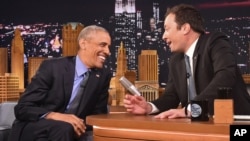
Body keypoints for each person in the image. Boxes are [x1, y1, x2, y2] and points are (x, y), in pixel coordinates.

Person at [123, 4, 250, 119]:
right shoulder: (175, 60)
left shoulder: (215, 42)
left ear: (185, 28)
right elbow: (171, 97)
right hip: (196, 126)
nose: (163, 36)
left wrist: (190, 109)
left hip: (234, 122)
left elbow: (225, 77)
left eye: (167, 29)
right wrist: (149, 107)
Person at [9, 25, 112, 141]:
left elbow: (97, 115)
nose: (108, 51)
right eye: (102, 45)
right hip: (37, 127)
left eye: (109, 47)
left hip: (68, 131)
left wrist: (80, 125)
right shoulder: (53, 67)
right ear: (83, 44)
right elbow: (23, 108)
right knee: (64, 127)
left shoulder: (103, 76)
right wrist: (56, 116)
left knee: (67, 128)